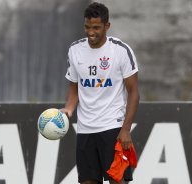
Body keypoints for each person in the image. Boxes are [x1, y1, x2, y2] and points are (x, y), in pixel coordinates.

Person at [61, 2, 139, 184]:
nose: (90, 32)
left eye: (96, 27)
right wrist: (68, 110)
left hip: (113, 128)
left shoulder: (120, 51)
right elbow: (74, 89)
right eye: (87, 27)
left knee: (117, 181)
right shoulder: (75, 50)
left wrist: (126, 129)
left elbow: (134, 92)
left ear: (107, 26)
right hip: (85, 129)